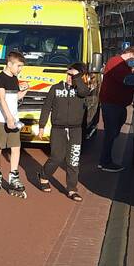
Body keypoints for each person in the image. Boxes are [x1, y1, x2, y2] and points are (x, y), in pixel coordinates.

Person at [38, 62, 92, 201]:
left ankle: (72, 189)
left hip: (75, 130)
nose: (70, 77)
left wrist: (77, 79)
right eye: (68, 74)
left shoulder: (81, 89)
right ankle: (43, 175)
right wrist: (42, 126)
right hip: (58, 129)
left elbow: (84, 92)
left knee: (73, 160)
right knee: (56, 157)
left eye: (73, 75)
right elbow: (46, 107)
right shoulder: (55, 89)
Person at [0, 51, 28, 197]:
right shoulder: (0, 78)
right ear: (9, 64)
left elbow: (14, 98)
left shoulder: (15, 79)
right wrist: (8, 118)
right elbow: (1, 98)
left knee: (16, 147)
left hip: (14, 119)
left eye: (21, 66)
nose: (20, 69)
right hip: (0, 119)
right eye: (18, 66)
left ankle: (13, 175)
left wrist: (24, 91)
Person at [98, 44, 134, 172]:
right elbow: (127, 81)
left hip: (118, 103)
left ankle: (105, 159)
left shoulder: (122, 65)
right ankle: (105, 161)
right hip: (112, 103)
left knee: (114, 130)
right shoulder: (117, 63)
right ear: (130, 55)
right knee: (111, 132)